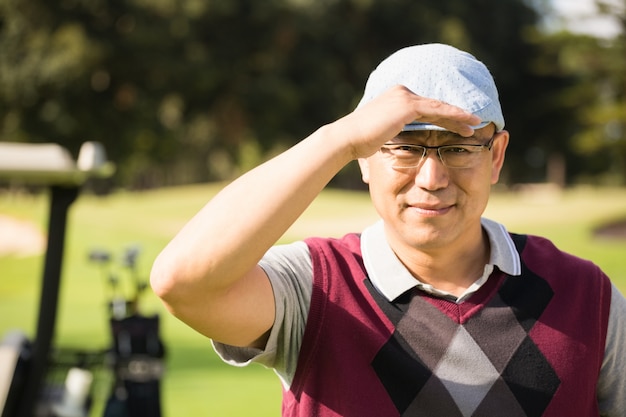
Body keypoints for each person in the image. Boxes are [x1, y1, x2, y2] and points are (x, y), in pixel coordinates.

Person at [150, 43, 626, 416]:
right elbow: (182, 282)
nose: (431, 178)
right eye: (402, 146)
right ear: (363, 158)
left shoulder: (588, 296)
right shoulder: (317, 287)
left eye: (459, 148)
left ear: (496, 156)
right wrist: (340, 137)